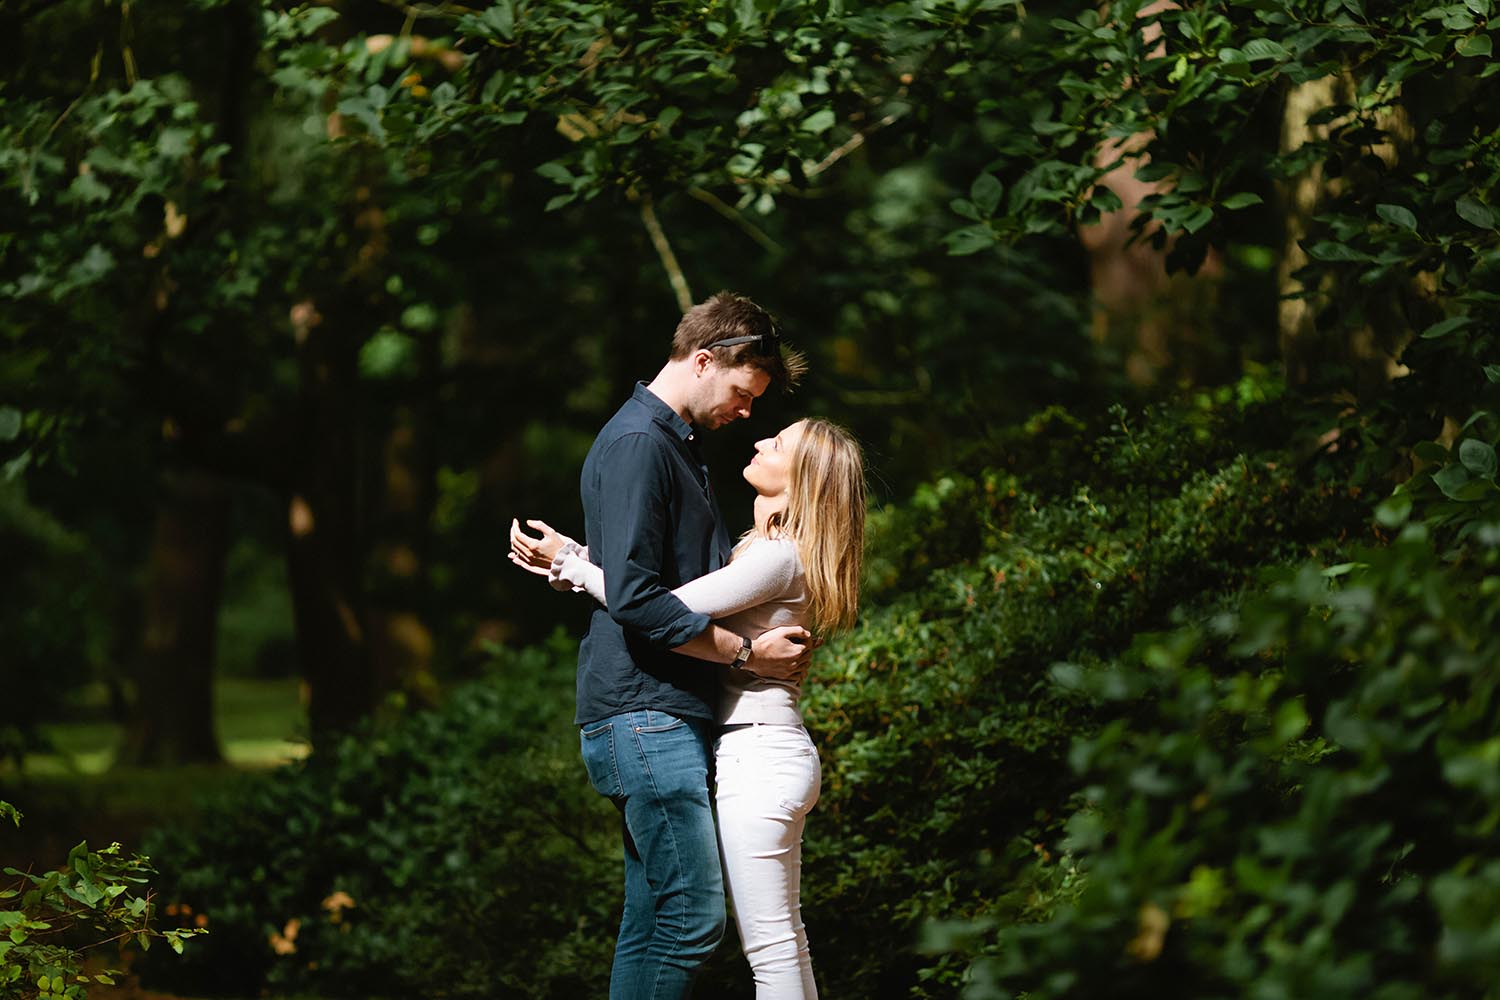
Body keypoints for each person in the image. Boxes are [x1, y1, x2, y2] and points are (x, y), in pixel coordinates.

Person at [509, 291, 811, 1000]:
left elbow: (641, 580)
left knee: (651, 923)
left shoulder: (673, 444)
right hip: (646, 712)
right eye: (743, 392)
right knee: (691, 920)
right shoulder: (645, 444)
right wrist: (747, 655)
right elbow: (645, 602)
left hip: (660, 710)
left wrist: (578, 565)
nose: (747, 412)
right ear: (705, 360)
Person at [517, 417, 866, 1000]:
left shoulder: (778, 558)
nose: (759, 441)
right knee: (781, 941)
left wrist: (574, 566)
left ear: (803, 477)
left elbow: (656, 609)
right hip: (767, 752)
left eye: (777, 443)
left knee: (771, 948)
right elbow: (653, 602)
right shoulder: (766, 552)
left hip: (757, 755)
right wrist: (576, 561)